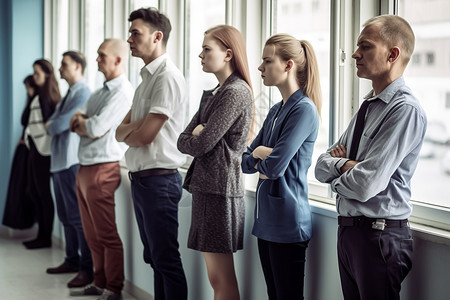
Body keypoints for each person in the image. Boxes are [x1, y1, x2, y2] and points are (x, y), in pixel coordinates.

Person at [314, 15, 427, 300]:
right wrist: (347, 166)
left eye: (365, 46)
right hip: (351, 233)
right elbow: (320, 166)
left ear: (392, 55)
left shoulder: (404, 110)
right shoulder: (367, 107)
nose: (355, 54)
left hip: (379, 237)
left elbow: (367, 185)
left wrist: (338, 171)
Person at [241, 34, 322, 299]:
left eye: (267, 61)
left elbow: (274, 168)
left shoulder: (304, 110)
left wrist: (262, 155)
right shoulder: (277, 110)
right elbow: (245, 161)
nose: (260, 67)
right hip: (266, 221)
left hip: (288, 223)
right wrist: (263, 155)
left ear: (288, 65)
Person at [177, 25, 254, 300]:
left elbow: (201, 143)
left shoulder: (235, 92)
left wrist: (198, 134)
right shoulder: (216, 91)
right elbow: (183, 139)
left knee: (220, 277)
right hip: (209, 189)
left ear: (228, 54)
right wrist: (196, 134)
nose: (200, 54)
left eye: (207, 49)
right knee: (216, 276)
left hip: (220, 191)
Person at [116, 7, 188, 300]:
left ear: (157, 37)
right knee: (156, 260)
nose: (129, 39)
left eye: (136, 33)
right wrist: (133, 131)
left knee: (166, 260)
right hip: (143, 180)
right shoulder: (146, 79)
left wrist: (132, 131)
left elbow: (144, 135)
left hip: (159, 181)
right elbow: (120, 131)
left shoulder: (166, 78)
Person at [70, 39, 133, 300]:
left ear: (118, 60)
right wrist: (85, 123)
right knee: (91, 234)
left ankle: (114, 288)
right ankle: (99, 281)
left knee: (106, 233)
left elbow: (95, 128)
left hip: (102, 168)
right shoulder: (99, 92)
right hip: (84, 167)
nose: (96, 59)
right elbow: (77, 120)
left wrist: (85, 124)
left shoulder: (123, 93)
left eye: (101, 55)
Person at [45, 51, 93, 288]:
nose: (60, 68)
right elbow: (54, 122)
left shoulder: (83, 92)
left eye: (64, 65)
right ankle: (71, 259)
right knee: (65, 216)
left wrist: (55, 123)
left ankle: (86, 268)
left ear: (77, 67)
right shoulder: (69, 94)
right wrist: (56, 123)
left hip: (70, 161)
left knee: (76, 217)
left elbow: (58, 125)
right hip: (59, 162)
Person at [22, 59, 61, 249]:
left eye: (37, 73)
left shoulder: (47, 97)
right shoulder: (38, 96)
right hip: (36, 150)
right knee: (35, 192)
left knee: (43, 194)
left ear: (47, 74)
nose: (34, 76)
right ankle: (41, 235)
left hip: (43, 152)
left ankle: (45, 238)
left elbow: (49, 125)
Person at [2, 75, 37, 230]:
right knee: (18, 188)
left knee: (29, 189)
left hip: (30, 150)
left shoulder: (39, 102)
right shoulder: (31, 103)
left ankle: (29, 223)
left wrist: (27, 140)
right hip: (23, 149)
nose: (27, 91)